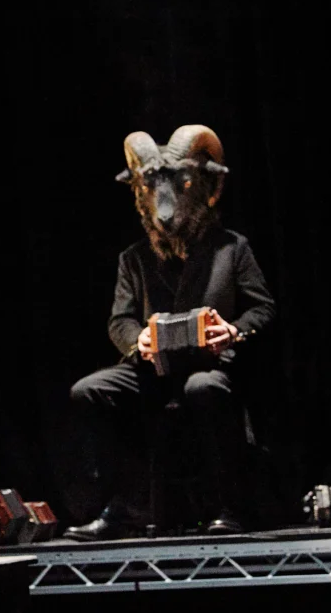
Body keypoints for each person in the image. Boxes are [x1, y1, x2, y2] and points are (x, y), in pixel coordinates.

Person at [64, 125, 275, 540]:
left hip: (212, 367)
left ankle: (227, 506)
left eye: (180, 184)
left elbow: (263, 307)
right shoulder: (135, 259)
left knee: (202, 387)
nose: (165, 206)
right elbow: (120, 320)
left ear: (199, 185)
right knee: (89, 391)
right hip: (153, 371)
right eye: (151, 186)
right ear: (139, 191)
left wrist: (233, 332)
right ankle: (125, 506)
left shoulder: (231, 249)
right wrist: (136, 340)